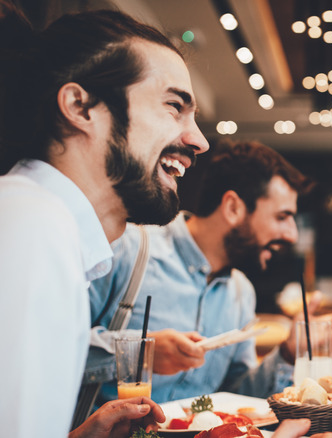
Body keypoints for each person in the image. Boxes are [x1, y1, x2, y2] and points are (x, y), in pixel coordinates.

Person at [0, 3, 209, 437]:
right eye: (174, 106)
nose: (199, 140)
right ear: (81, 107)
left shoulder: (43, 224)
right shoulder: (33, 226)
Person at [89, 141, 332, 404]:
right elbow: (54, 346)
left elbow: (238, 396)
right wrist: (141, 353)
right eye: (281, 217)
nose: (292, 234)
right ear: (233, 208)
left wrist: (288, 353)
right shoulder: (127, 249)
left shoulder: (241, 292)